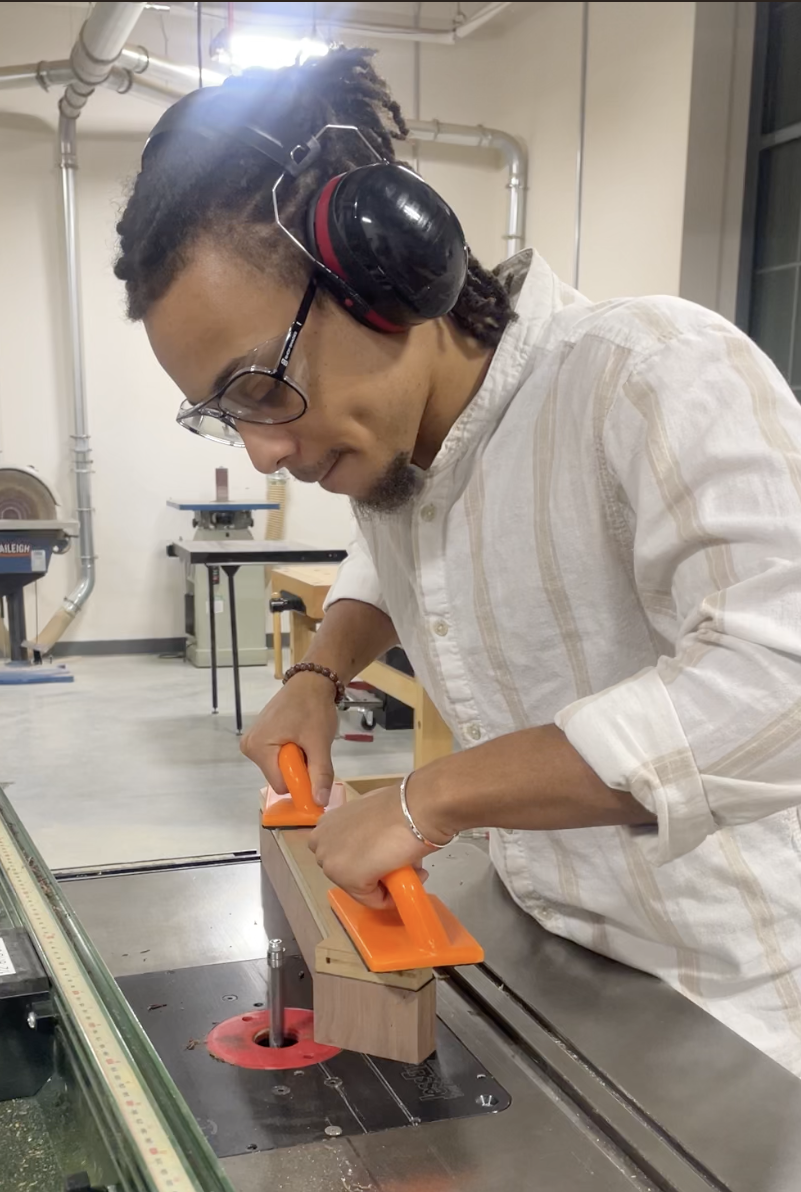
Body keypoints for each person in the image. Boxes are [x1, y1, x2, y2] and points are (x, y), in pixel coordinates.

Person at [114, 49, 801, 1076]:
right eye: (224, 416)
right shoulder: (402, 447)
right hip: (553, 962)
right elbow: (394, 559)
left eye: (258, 384)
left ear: (382, 271)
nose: (259, 450)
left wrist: (425, 799)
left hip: (740, 1010)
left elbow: (775, 684)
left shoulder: (650, 375)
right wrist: (318, 675)